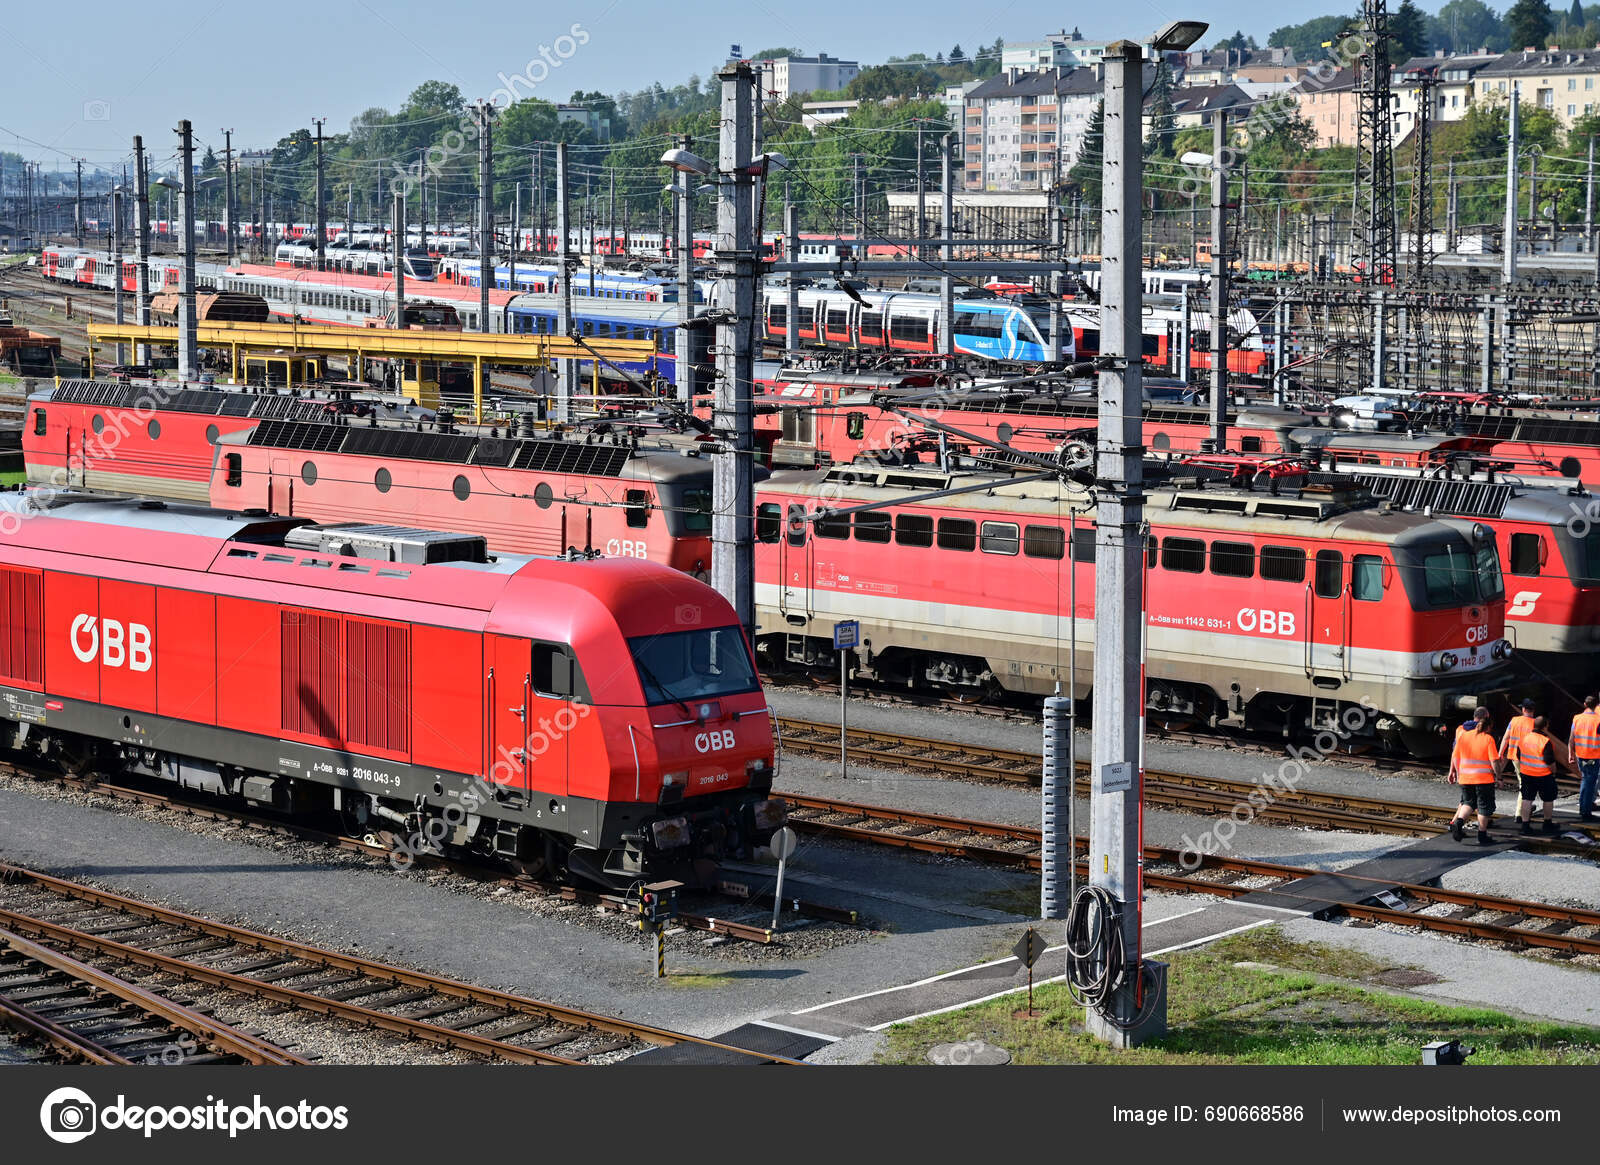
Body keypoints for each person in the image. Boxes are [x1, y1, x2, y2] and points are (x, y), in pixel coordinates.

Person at [1450, 707, 1502, 845]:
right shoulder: (1488, 739)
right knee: (1484, 807)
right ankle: (1482, 835)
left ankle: (1458, 823)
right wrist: (1499, 777)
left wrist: (1456, 772)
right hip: (1483, 780)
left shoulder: (1463, 736)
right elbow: (1494, 761)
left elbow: (1455, 756)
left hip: (1465, 778)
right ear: (1488, 726)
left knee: (1468, 803)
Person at [1516, 716, 1561, 835]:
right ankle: (1547, 824)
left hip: (1526, 774)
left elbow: (1518, 755)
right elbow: (1549, 761)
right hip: (1543, 775)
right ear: (1545, 726)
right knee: (1548, 799)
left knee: (1527, 799)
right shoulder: (1545, 741)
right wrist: (1554, 772)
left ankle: (1525, 826)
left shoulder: (1523, 739)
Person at [1500, 698, 1537, 820]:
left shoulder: (1514, 721)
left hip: (1515, 757)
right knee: (1526, 785)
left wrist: (1500, 753)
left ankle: (1524, 809)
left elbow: (1506, 738)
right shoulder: (1535, 723)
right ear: (1533, 710)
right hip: (1530, 759)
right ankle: (1519, 813)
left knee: (1524, 783)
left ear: (1524, 709)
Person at [1569, 694, 1600, 823]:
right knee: (1590, 783)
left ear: (1585, 704)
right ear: (1596, 706)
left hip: (1580, 755)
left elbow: (1572, 737)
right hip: (1593, 756)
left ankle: (1583, 808)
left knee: (1585, 780)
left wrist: (1570, 753)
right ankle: (1585, 812)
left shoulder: (1577, 718)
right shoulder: (1598, 720)